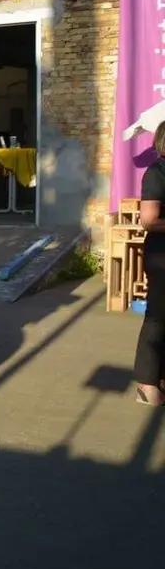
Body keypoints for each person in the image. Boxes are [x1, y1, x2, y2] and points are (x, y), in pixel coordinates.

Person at [134, 121, 165, 406]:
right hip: (161, 257)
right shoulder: (156, 173)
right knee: (157, 317)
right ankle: (146, 381)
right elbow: (149, 221)